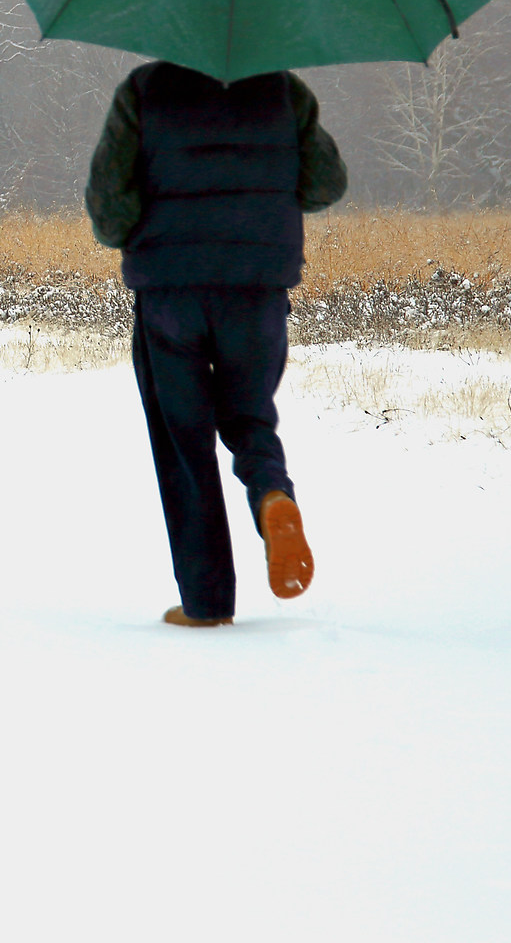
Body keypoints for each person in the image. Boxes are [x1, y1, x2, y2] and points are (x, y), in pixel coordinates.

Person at [86, 60, 348, 627]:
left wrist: (147, 221)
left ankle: (206, 601)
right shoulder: (283, 90)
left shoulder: (144, 91)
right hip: (257, 288)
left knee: (183, 442)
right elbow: (325, 185)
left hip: (169, 293)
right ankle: (272, 495)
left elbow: (109, 213)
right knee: (249, 418)